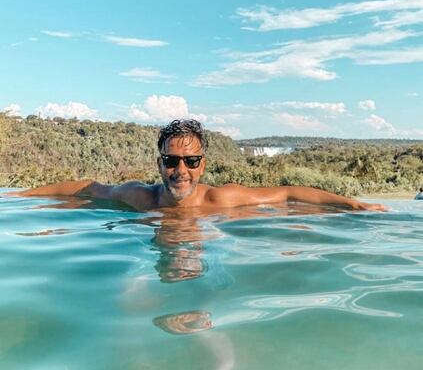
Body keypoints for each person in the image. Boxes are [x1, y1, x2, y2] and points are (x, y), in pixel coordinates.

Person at [7, 118, 387, 212]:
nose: (180, 170)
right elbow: (86, 188)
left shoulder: (221, 200)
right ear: (160, 163)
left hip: (208, 253)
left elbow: (288, 193)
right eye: (171, 161)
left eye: (190, 161)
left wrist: (353, 204)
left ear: (202, 165)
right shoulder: (140, 197)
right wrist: (16, 196)